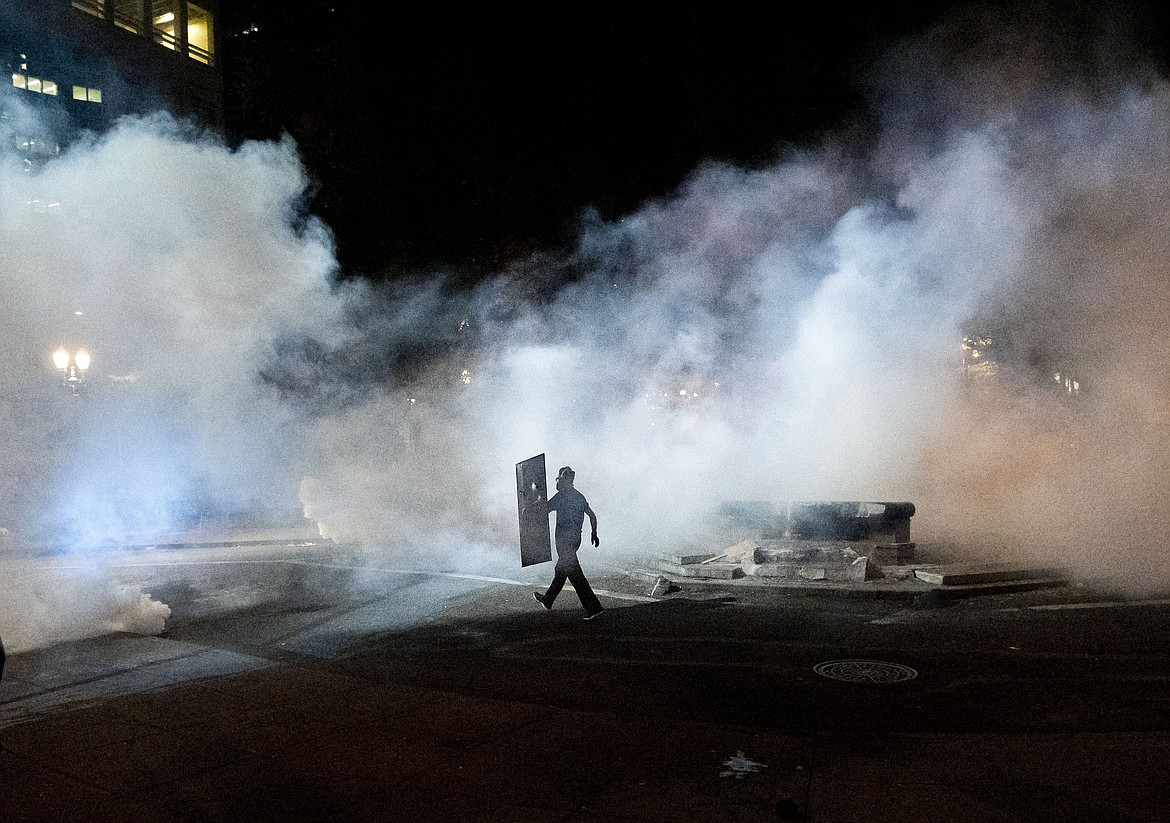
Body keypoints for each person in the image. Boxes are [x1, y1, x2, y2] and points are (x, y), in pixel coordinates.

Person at [533, 465, 604, 619]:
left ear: (563, 480)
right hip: (574, 540)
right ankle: (547, 600)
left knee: (576, 576)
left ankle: (594, 608)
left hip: (564, 542)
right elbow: (592, 516)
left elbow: (544, 509)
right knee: (561, 570)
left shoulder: (562, 496)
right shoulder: (579, 496)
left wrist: (536, 496)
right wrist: (594, 533)